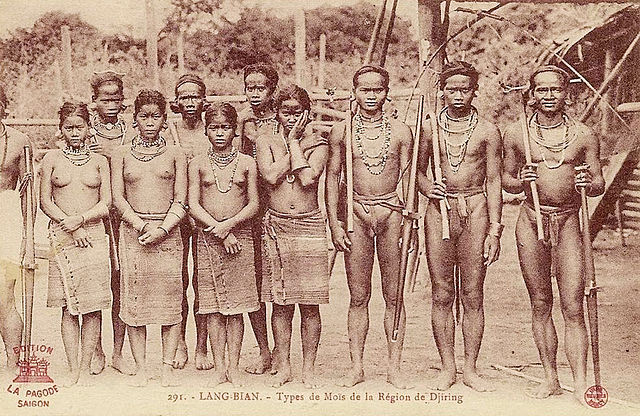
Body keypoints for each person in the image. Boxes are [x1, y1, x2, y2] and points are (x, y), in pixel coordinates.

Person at [502, 65, 604, 406]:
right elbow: (506, 181)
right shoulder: (517, 134)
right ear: (531, 95)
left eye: (555, 90)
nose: (548, 97)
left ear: (567, 93)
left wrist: (587, 183)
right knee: (541, 303)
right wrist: (522, 177)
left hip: (570, 221)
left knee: (573, 304)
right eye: (541, 91)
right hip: (531, 221)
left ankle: (580, 382)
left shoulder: (584, 135)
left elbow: (599, 184)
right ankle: (550, 378)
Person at [417, 61, 503, 392]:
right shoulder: (428, 129)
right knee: (441, 292)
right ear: (441, 92)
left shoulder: (487, 130)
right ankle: (447, 368)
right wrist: (427, 188)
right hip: (439, 211)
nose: (458, 95)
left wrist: (495, 229)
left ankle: (470, 368)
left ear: (473, 91)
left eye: (464, 89)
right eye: (451, 89)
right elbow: (416, 172)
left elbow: (494, 179)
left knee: (472, 292)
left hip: (476, 209)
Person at [325, 65, 412, 388]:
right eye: (365, 89)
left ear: (387, 92)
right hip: (356, 214)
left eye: (377, 90)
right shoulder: (342, 131)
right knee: (358, 295)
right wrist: (335, 222)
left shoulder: (401, 131)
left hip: (391, 213)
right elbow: (332, 177)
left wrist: (407, 219)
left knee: (394, 295)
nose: (371, 95)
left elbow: (409, 177)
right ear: (354, 92)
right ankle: (357, 367)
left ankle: (394, 368)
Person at [111, 89, 187, 387]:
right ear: (135, 119)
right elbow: (118, 197)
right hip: (133, 233)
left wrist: (163, 229)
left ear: (165, 121)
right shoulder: (121, 153)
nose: (150, 122)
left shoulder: (176, 154)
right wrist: (141, 225)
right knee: (135, 303)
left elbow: (181, 199)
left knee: (170, 303)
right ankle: (142, 368)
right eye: (144, 116)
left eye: (156, 117)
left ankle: (167, 367)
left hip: (168, 233)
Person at [256, 85, 329, 388]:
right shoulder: (265, 140)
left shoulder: (321, 143)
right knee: (280, 304)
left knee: (310, 305)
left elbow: (309, 177)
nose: (291, 116)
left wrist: (294, 144)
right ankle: (283, 364)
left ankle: (308, 367)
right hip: (277, 226)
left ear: (307, 112)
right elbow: (271, 176)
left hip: (309, 225)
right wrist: (292, 142)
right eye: (285, 111)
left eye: (297, 111)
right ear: (276, 112)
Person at [40, 102, 112, 386]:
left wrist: (81, 219)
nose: (74, 133)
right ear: (61, 130)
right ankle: (73, 368)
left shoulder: (99, 161)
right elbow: (45, 201)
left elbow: (106, 203)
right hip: (62, 234)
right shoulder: (52, 159)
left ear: (88, 128)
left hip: (93, 235)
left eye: (79, 127)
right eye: (68, 128)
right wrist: (69, 224)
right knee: (67, 306)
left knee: (92, 306)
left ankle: (86, 365)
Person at [188, 103, 259, 386]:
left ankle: (234, 367)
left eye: (226, 128)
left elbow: (254, 203)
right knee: (213, 307)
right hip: (209, 238)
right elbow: (193, 203)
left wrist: (230, 226)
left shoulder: (247, 163)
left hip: (239, 239)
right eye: (214, 128)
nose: (220, 133)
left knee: (236, 306)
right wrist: (218, 230)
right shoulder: (197, 163)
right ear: (206, 131)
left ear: (235, 130)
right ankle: (219, 368)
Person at [168, 74, 213, 370]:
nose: (189, 102)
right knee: (178, 281)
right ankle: (180, 343)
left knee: (203, 282)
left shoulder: (215, 129)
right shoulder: (169, 129)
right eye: (183, 97)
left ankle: (202, 347)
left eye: (194, 96)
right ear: (176, 102)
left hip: (207, 213)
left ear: (203, 101)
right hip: (176, 212)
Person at [237, 63, 280, 375]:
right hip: (248, 205)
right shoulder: (239, 120)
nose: (254, 93)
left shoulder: (283, 119)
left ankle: (282, 350)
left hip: (278, 201)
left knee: (278, 278)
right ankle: (264, 349)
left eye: (260, 87)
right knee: (253, 281)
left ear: (271, 89)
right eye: (249, 87)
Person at [88, 70, 131, 376]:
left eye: (117, 98)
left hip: (125, 215)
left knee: (122, 282)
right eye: (106, 98)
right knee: (96, 282)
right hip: (94, 215)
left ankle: (117, 351)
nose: (112, 104)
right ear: (95, 101)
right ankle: (96, 350)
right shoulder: (84, 132)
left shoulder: (132, 131)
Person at [0, 85, 31, 378]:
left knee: (4, 294)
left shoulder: (19, 140)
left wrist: (28, 235)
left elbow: (27, 194)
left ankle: (12, 360)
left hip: (6, 217)